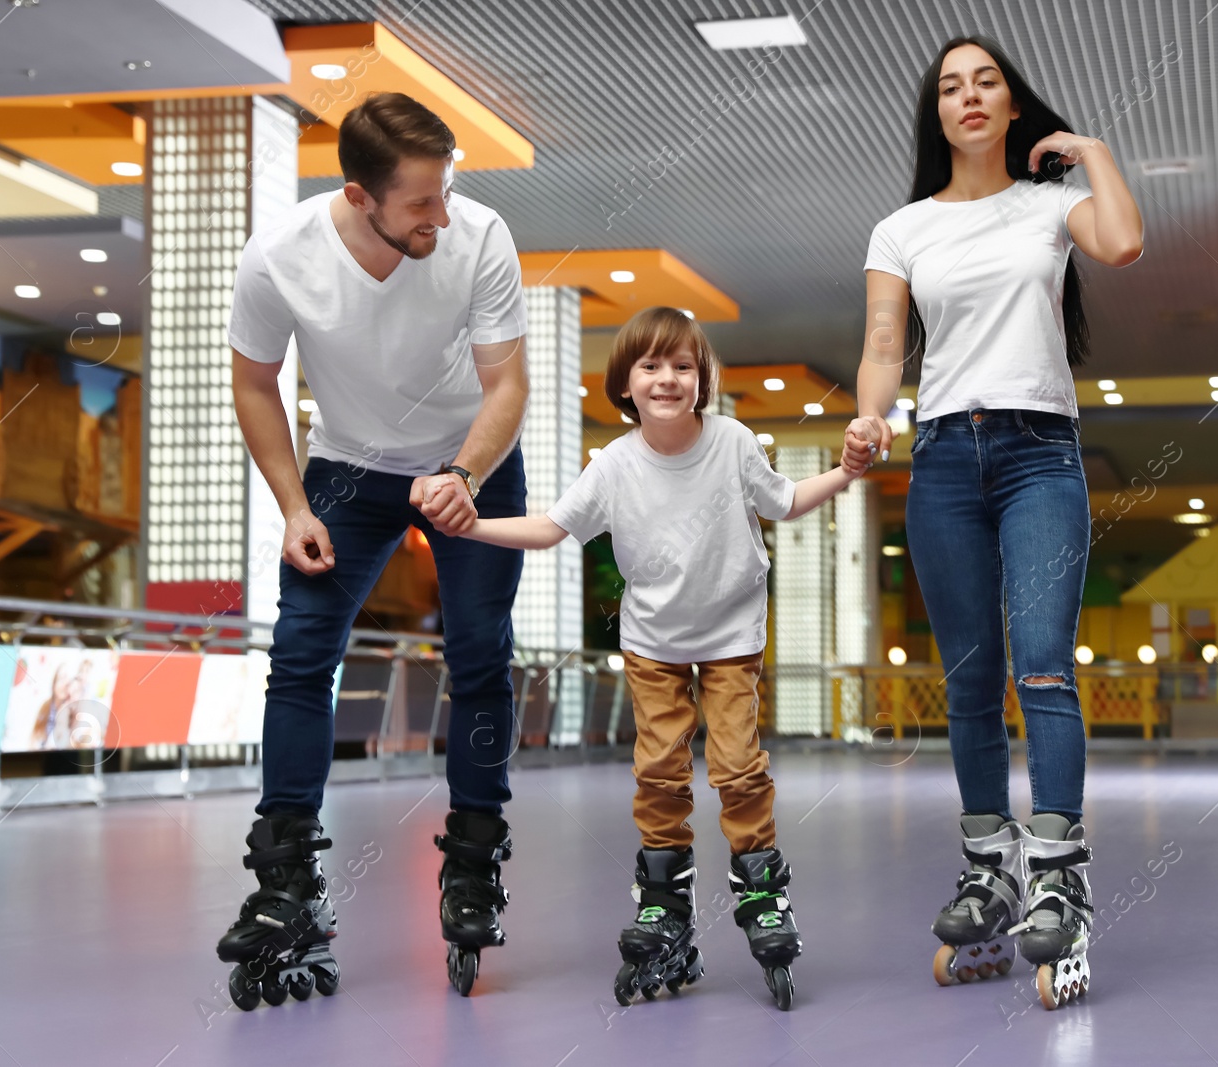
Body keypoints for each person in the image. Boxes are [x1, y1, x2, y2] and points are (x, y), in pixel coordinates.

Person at [844, 35, 1143, 1011]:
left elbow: (1124, 242)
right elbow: (887, 342)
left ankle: (1058, 873)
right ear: (936, 113)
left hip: (1039, 453)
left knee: (1043, 662)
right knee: (969, 675)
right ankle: (988, 869)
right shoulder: (901, 228)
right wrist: (869, 413)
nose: (969, 98)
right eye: (950, 87)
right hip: (939, 457)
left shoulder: (1049, 206)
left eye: (987, 84)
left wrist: (1090, 151)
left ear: (1012, 107)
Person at [217, 91, 531, 1006]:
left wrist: (465, 474)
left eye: (446, 191)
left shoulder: (480, 236)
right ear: (360, 196)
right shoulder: (281, 257)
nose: (443, 214)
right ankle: (286, 879)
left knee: (479, 653)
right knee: (301, 653)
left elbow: (507, 383)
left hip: (472, 463)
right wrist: (290, 503)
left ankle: (474, 855)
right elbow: (253, 381)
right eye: (422, 201)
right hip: (346, 473)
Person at [460, 307, 866, 1012]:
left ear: (702, 377)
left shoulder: (735, 442)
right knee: (658, 772)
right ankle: (663, 899)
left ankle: (761, 890)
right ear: (625, 382)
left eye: (682, 365)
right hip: (652, 644)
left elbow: (786, 500)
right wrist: (473, 522)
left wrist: (846, 471)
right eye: (651, 366)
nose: (668, 378)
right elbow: (554, 526)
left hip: (733, 637)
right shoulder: (614, 464)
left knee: (738, 768)